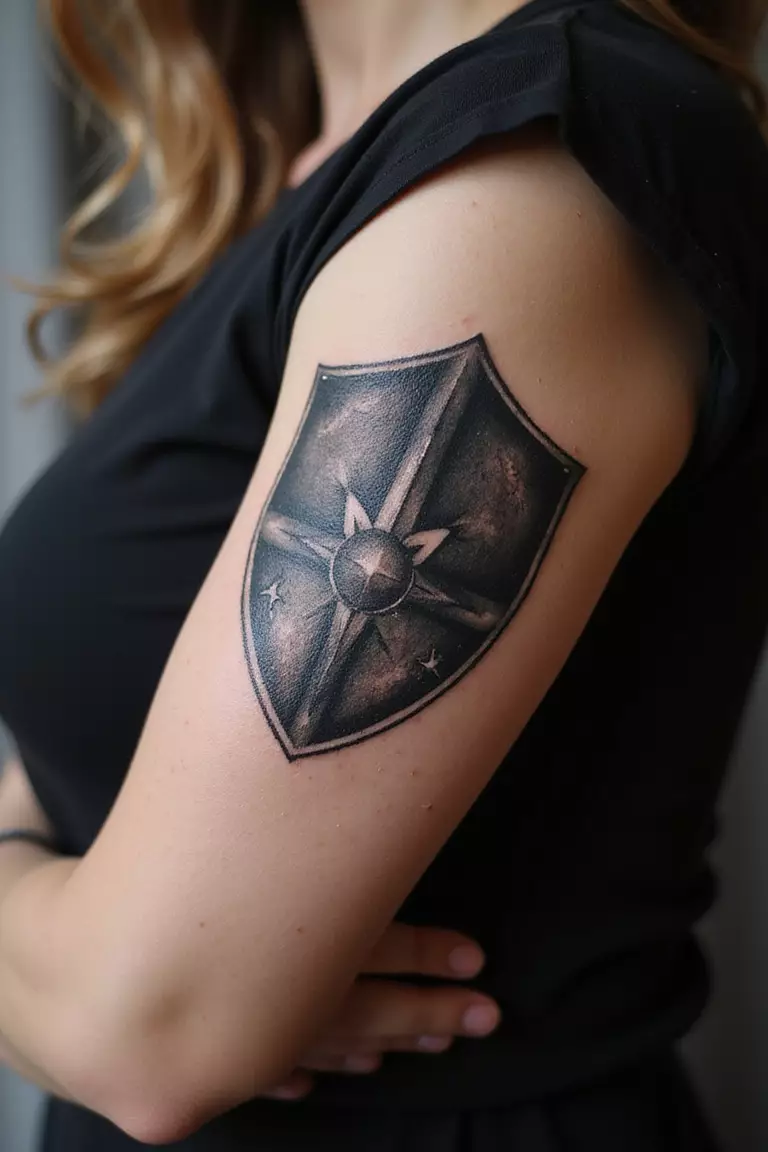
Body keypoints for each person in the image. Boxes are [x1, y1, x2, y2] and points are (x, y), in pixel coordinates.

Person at [0, 0, 767, 1148]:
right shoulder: (313, 161)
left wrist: (74, 944)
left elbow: (152, 1035)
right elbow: (75, 780)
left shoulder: (521, 179)